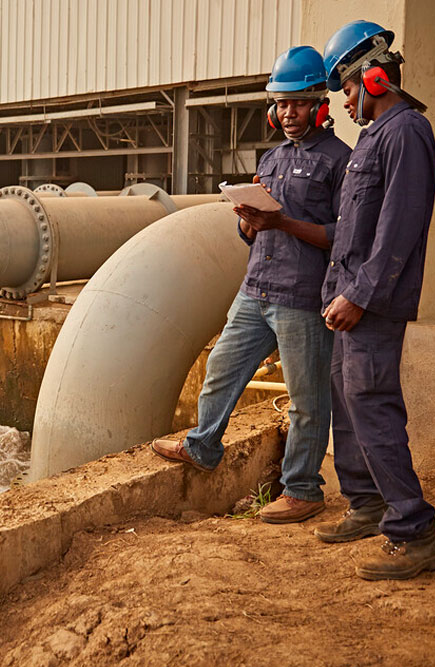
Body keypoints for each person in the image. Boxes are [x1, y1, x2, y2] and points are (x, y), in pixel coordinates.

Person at [152, 46, 351, 525]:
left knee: (307, 399)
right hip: (256, 288)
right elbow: (252, 233)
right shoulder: (273, 157)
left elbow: (338, 237)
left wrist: (280, 223)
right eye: (281, 104)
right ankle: (203, 446)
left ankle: (303, 490)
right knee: (221, 367)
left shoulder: (339, 161)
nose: (288, 113)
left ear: (320, 106)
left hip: (302, 299)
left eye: (298, 103)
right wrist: (248, 221)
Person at [314, 20, 435, 580]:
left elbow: (397, 231)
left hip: (372, 305)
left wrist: (360, 297)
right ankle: (369, 505)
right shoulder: (373, 137)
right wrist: (336, 292)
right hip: (350, 300)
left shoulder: (405, 132)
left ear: (372, 79)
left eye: (345, 89)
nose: (343, 103)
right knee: (349, 406)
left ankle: (416, 531)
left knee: (373, 408)